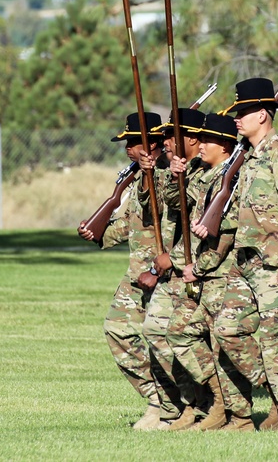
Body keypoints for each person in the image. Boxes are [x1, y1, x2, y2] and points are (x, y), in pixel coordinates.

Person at [211, 77, 278, 432]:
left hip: (274, 264)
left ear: (265, 115)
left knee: (275, 340)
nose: (237, 118)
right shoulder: (247, 156)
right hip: (245, 261)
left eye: (244, 111)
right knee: (226, 329)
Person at [78, 111, 169, 431]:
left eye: (132, 142)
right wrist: (99, 233)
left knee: (169, 341)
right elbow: (134, 222)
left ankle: (181, 406)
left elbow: (162, 209)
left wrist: (147, 174)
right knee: (118, 329)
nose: (127, 148)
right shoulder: (137, 174)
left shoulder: (169, 171)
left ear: (151, 142)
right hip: (138, 272)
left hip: (165, 269)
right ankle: (157, 400)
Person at [165, 113, 240, 431]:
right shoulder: (205, 174)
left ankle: (231, 411)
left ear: (224, 145)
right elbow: (176, 203)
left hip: (219, 274)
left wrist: (201, 266)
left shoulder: (230, 178)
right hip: (201, 271)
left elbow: (227, 232)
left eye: (207, 139)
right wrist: (176, 177)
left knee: (221, 345)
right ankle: (218, 405)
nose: (201, 144)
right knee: (180, 334)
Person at [138, 108, 209, 430]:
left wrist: (176, 259)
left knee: (193, 338)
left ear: (191, 138)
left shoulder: (208, 171)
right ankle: (188, 404)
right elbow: (164, 207)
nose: (164, 141)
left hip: (197, 268)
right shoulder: (178, 168)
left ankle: (211, 403)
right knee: (156, 331)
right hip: (173, 268)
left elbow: (202, 224)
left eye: (170, 136)